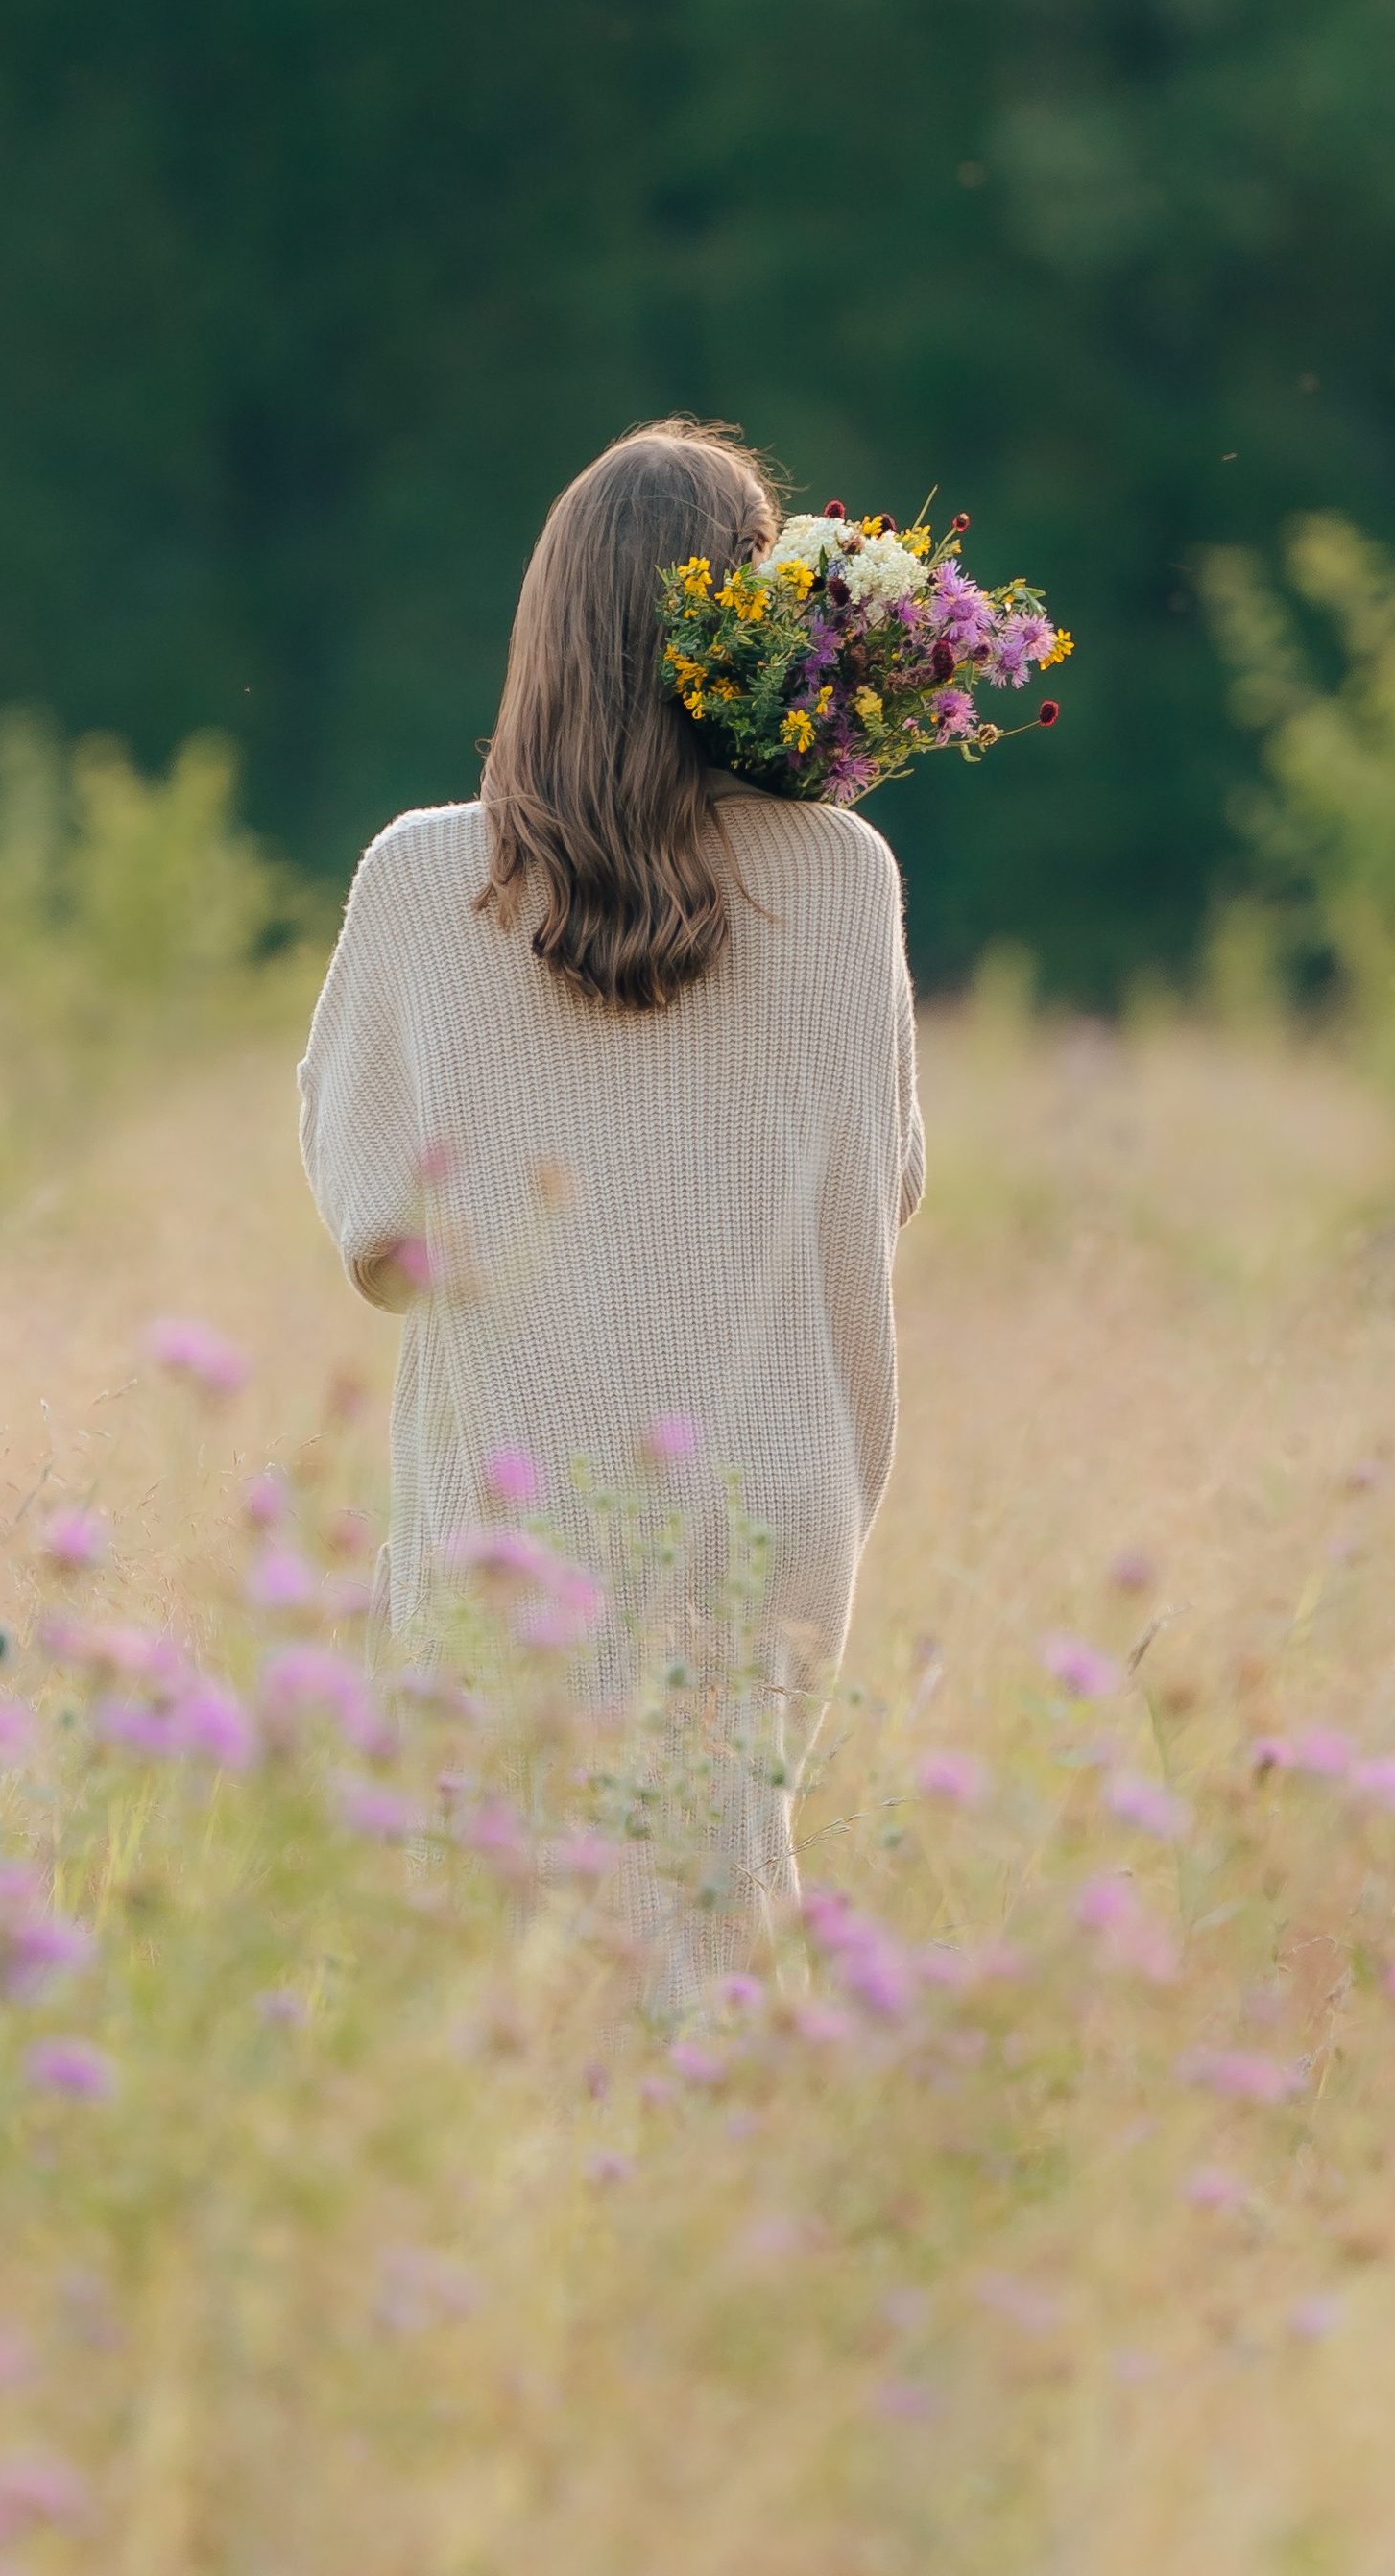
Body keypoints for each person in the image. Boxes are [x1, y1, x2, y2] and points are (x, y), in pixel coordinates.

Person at [299, 418, 925, 1987]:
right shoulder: (845, 876)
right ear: (757, 632)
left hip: (523, 1503)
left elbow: (376, 1233)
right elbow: (886, 1185)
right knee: (719, 1918)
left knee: (480, 1942)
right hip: (773, 1491)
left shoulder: (419, 880)